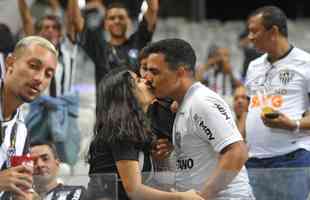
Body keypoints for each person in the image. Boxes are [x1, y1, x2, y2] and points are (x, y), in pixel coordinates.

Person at [142, 38, 254, 199]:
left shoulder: (201, 102)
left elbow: (237, 152)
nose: (147, 78)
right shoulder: (183, 104)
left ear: (180, 73)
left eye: (155, 72)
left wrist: (203, 196)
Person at [86, 67, 203, 200]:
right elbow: (134, 191)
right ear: (126, 94)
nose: (146, 81)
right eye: (138, 81)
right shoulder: (119, 132)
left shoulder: (137, 128)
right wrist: (181, 197)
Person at [245, 5, 310, 200]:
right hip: (255, 160)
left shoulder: (306, 64)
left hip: (291, 158)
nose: (249, 37)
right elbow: (251, 109)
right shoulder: (253, 66)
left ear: (273, 31)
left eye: (254, 31)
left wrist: (293, 124)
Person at [0, 36, 58, 199]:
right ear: (10, 63)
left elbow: (22, 190)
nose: (40, 79)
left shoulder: (22, 132)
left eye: (48, 74)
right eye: (34, 66)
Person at [75, 0, 159, 89]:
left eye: (121, 17)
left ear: (129, 22)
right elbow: (76, 22)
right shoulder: (98, 48)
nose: (117, 21)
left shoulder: (138, 42)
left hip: (135, 102)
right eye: (112, 18)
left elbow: (153, 9)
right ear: (105, 24)